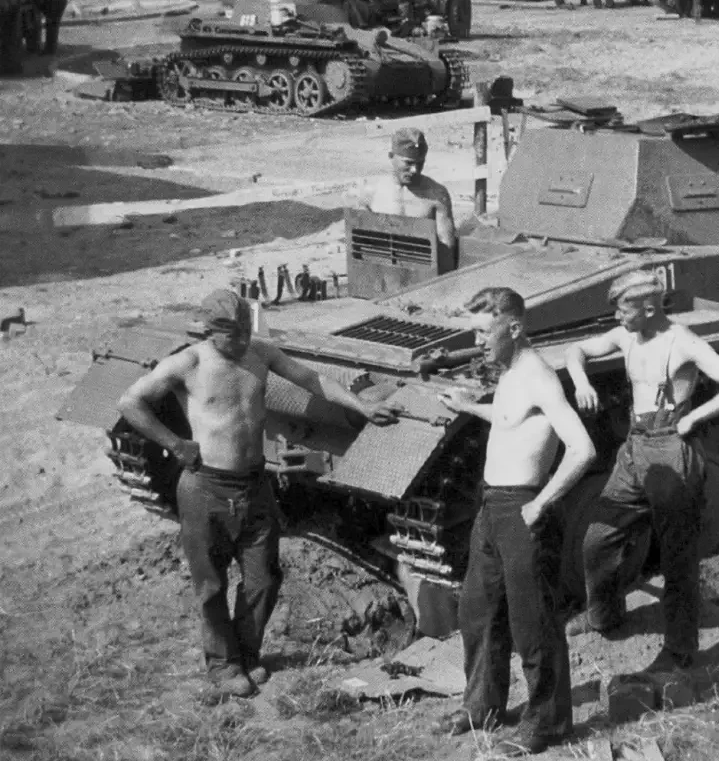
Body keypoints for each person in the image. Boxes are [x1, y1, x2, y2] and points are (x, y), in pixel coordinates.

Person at [116, 290, 403, 699]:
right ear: (210, 331)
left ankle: (247, 653)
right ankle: (223, 666)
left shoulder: (261, 353)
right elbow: (130, 402)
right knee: (211, 585)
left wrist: (361, 405)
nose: (240, 341)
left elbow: (312, 380)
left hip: (254, 485)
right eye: (230, 334)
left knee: (264, 578)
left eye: (244, 332)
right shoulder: (189, 362)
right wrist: (174, 444)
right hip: (206, 486)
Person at [436, 287, 596, 757]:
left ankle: (548, 722)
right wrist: (469, 407)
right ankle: (482, 706)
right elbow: (511, 418)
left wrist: (542, 502)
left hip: (523, 508)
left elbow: (583, 449)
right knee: (477, 610)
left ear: (514, 327)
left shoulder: (539, 377)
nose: (477, 341)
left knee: (533, 622)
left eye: (483, 332)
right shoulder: (509, 371)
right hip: (491, 507)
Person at [566, 270, 719, 672]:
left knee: (677, 557)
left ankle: (680, 649)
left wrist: (694, 418)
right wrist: (581, 382)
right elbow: (575, 350)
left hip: (670, 448)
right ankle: (604, 615)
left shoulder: (683, 342)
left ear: (649, 309)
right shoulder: (626, 336)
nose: (617, 316)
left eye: (623, 309)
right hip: (635, 447)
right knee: (598, 538)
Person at [355, 127, 458, 265]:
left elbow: (447, 247)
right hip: (383, 270)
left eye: (420, 163)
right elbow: (361, 242)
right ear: (391, 156)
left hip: (423, 269)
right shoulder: (371, 191)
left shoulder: (436, 194)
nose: (414, 170)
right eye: (408, 163)